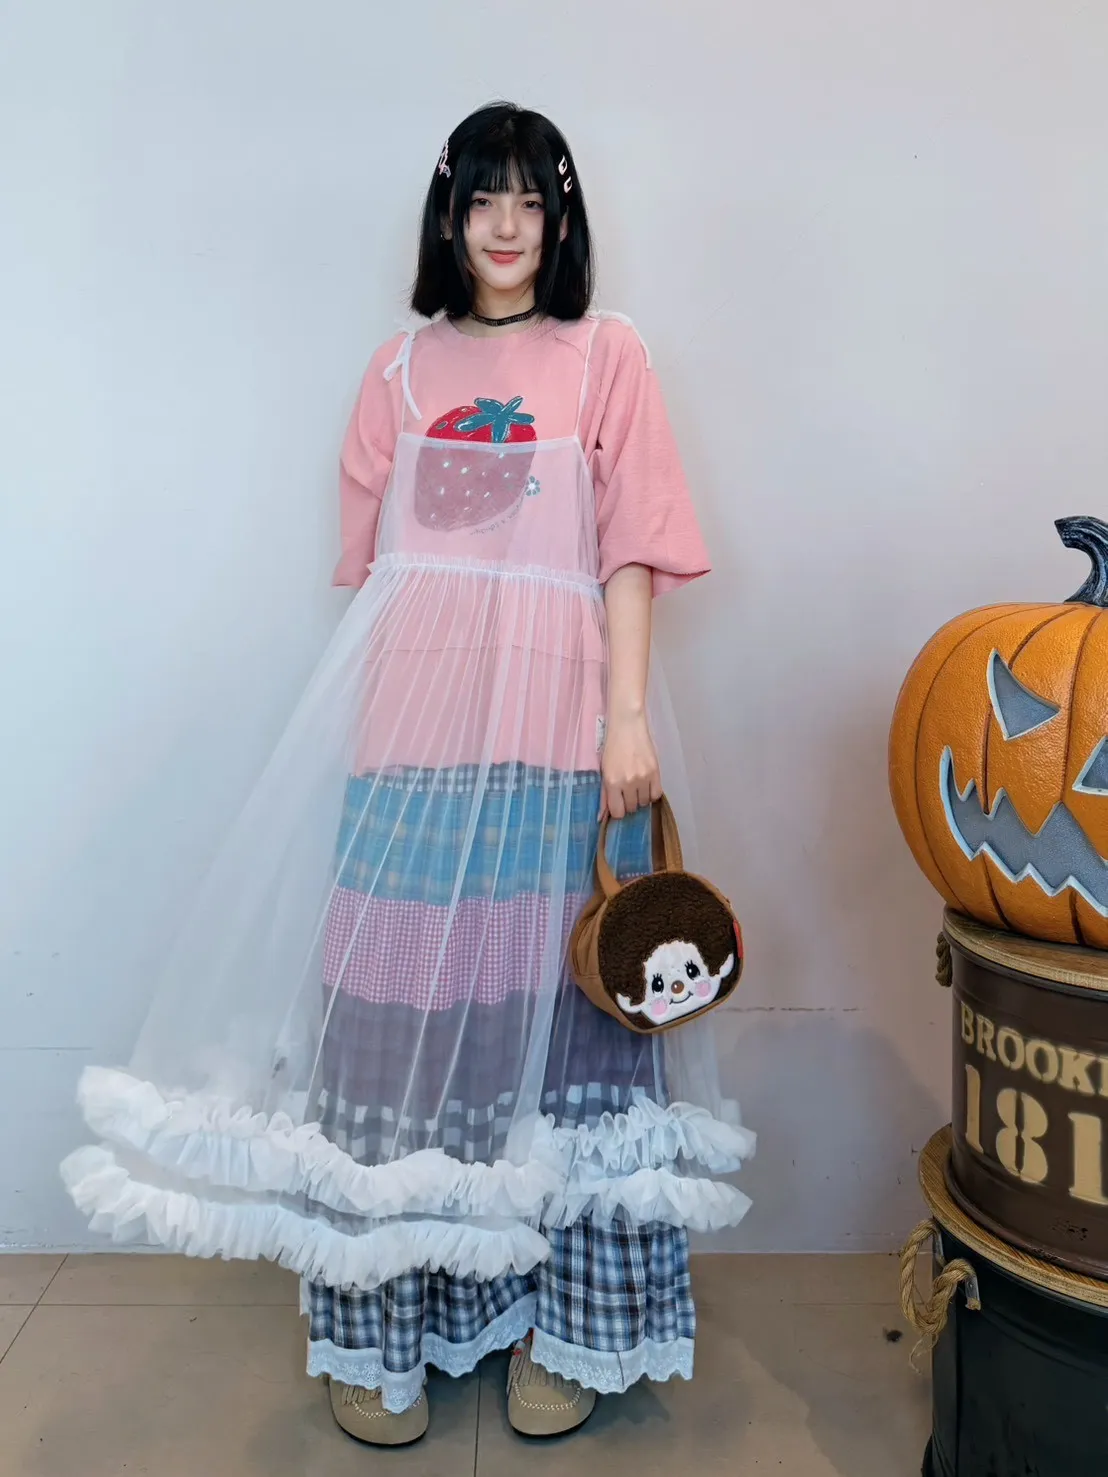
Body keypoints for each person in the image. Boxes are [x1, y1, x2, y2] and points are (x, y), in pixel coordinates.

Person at [61, 101, 755, 1446]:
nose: (507, 226)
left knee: (565, 1024)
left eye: (533, 200)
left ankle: (568, 1329)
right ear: (449, 215)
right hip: (415, 732)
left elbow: (627, 547)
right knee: (397, 1019)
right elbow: (387, 578)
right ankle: (387, 1326)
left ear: (561, 220)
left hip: (557, 727)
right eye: (483, 198)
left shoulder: (607, 355)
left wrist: (625, 715)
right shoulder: (398, 370)